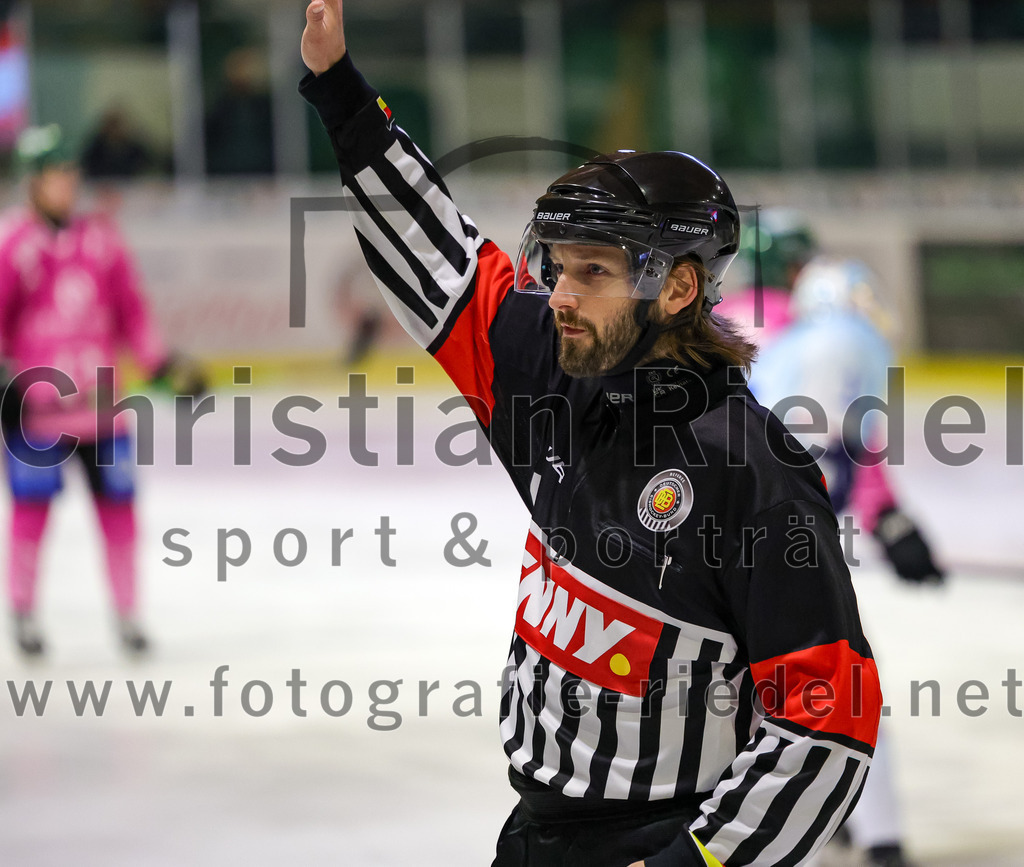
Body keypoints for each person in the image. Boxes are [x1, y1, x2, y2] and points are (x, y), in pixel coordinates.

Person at [299, 3, 883, 865]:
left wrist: (689, 862)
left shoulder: (753, 472)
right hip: (533, 836)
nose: (561, 295)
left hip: (661, 841)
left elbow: (828, 725)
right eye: (560, 267)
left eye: (595, 272)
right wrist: (342, 93)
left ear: (677, 289)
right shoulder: (557, 375)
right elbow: (441, 265)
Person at [750, 258, 942, 867]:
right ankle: (869, 830)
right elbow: (836, 458)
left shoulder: (785, 354)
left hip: (758, 547)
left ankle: (830, 816)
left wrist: (888, 520)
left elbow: (844, 458)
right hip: (774, 549)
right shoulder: (836, 350)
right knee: (840, 684)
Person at [0, 124, 204, 656]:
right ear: (33, 181)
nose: (67, 183)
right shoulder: (11, 244)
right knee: (31, 512)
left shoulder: (102, 241)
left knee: (119, 509)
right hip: (38, 410)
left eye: (71, 173)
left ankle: (128, 614)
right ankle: (23, 612)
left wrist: (162, 365)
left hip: (101, 406)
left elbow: (132, 313)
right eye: (55, 174)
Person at [720, 214, 944, 586]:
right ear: (792, 265)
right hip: (776, 510)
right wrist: (886, 516)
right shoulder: (807, 326)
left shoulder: (715, 317)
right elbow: (839, 429)